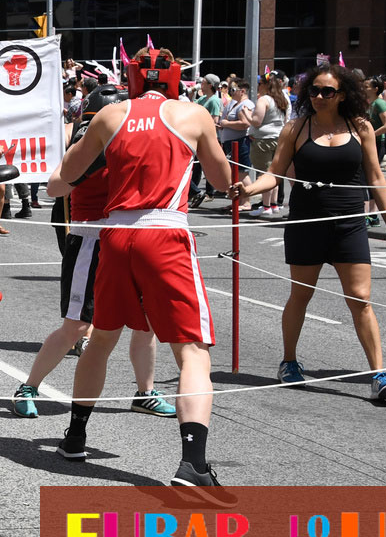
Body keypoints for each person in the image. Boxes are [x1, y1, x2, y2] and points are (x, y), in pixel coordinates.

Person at [50, 46, 234, 500]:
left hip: (115, 236)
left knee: (102, 336)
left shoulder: (108, 115)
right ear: (174, 78)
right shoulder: (192, 115)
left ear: (132, 78)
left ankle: (75, 436)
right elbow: (223, 180)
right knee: (191, 351)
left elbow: (62, 180)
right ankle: (194, 464)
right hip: (164, 232)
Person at [232, 65, 386, 400]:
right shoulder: (296, 128)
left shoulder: (361, 127)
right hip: (306, 224)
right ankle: (289, 361)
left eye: (328, 91)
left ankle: (379, 374)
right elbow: (274, 174)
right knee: (301, 295)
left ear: (343, 95)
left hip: (349, 224)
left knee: (361, 299)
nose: (319, 96)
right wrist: (250, 190)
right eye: (314, 90)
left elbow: (376, 177)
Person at [13, 84, 177, 421]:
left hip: (132, 240)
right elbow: (54, 186)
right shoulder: (88, 142)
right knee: (77, 325)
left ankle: (145, 391)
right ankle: (28, 386)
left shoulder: (131, 140)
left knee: (144, 324)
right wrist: (85, 167)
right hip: (92, 240)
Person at [247, 73, 288, 217]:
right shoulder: (283, 99)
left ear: (265, 85)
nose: (258, 86)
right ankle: (274, 204)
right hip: (279, 137)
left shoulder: (264, 99)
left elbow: (257, 121)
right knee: (274, 172)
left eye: (260, 83)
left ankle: (265, 206)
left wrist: (246, 114)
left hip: (263, 139)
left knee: (263, 173)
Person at [217, 79, 254, 212]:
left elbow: (245, 124)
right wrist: (223, 126)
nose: (231, 92)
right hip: (231, 143)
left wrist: (226, 124)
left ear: (242, 91)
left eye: (233, 90)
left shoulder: (246, 104)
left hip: (240, 142)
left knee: (242, 173)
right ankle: (239, 201)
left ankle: (247, 201)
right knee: (236, 173)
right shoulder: (236, 104)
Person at [188, 74, 225, 208]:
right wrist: (191, 93)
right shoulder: (203, 98)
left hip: (208, 136)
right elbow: (191, 106)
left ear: (210, 85)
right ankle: (195, 193)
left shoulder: (214, 100)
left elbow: (214, 120)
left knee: (207, 164)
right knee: (197, 167)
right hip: (198, 136)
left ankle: (210, 192)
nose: (200, 84)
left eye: (203, 82)